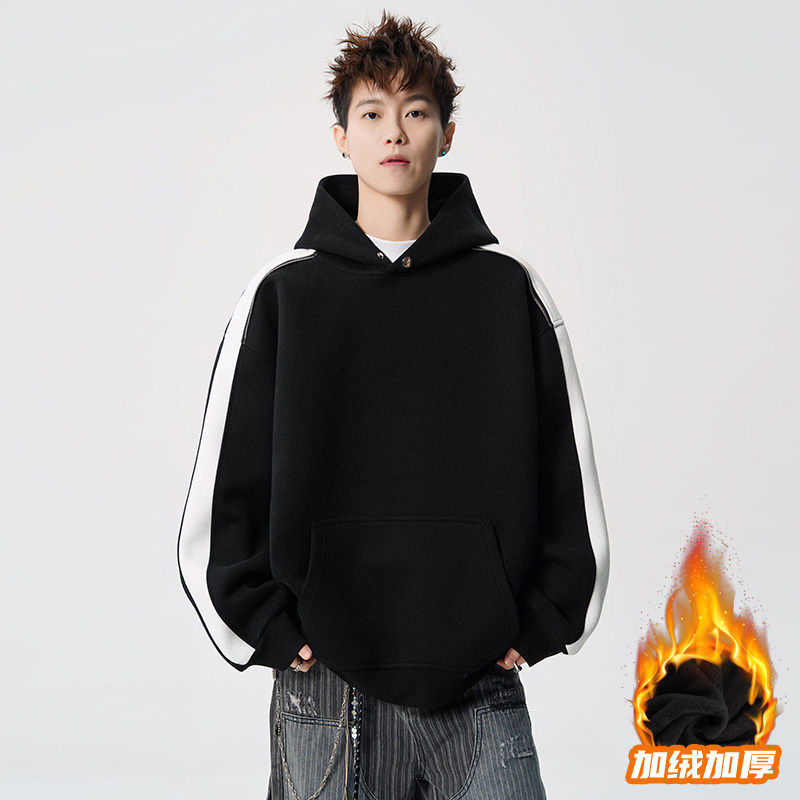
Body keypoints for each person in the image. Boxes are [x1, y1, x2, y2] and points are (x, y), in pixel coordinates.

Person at [177, 10, 610, 799]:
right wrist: (265, 627)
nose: (395, 133)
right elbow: (225, 487)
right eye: (372, 113)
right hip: (323, 688)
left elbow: (565, 471)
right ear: (341, 137)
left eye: (416, 111)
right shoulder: (283, 295)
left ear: (447, 133)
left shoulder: (508, 291)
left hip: (479, 680)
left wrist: (544, 619)